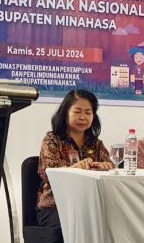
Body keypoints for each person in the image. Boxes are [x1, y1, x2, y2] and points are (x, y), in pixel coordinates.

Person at [36, 89, 112, 227]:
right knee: (83, 223)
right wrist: (76, 168)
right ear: (65, 113)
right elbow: (49, 174)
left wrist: (104, 167)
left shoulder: (96, 144)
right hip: (55, 207)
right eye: (77, 112)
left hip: (89, 206)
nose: (83, 117)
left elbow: (110, 167)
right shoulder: (52, 140)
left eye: (88, 113)